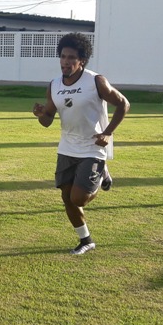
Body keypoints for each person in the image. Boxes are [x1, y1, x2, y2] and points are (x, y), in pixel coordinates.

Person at [32, 32, 130, 255]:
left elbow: (123, 104)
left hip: (93, 147)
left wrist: (108, 133)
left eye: (71, 58)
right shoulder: (54, 85)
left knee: (79, 198)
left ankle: (102, 170)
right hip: (67, 147)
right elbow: (47, 120)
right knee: (67, 198)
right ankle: (86, 240)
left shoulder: (96, 81)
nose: (66, 62)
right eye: (63, 57)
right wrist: (40, 114)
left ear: (81, 61)